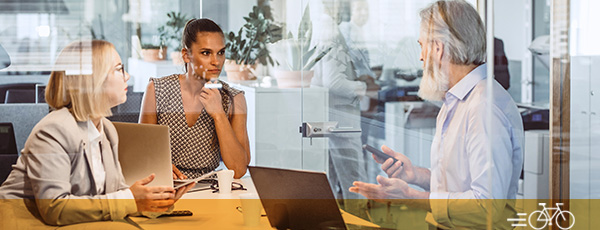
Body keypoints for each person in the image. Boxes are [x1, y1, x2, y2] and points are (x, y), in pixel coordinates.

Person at [349, 1, 524, 229]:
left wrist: (411, 197)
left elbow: (487, 206)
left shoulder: (482, 108)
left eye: (422, 46)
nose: (421, 57)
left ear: (437, 49)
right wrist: (416, 176)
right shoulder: (456, 101)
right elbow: (460, 184)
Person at [0, 40, 194, 228]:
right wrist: (129, 198)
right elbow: (55, 209)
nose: (127, 76)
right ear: (94, 79)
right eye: (119, 69)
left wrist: (154, 202)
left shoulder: (106, 130)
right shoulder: (54, 130)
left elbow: (111, 198)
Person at [139, 18, 250, 179]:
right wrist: (158, 166)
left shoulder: (234, 98)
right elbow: (142, 154)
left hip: (210, 190)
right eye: (206, 53)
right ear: (186, 55)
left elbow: (239, 169)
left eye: (221, 52)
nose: (216, 61)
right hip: (165, 185)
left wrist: (219, 114)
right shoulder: (157, 90)